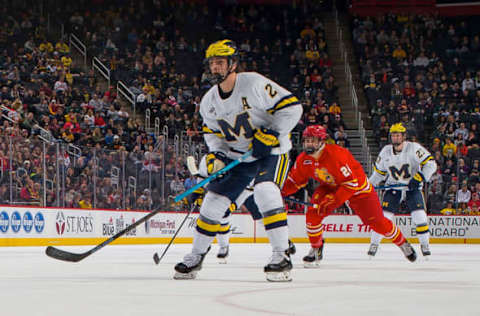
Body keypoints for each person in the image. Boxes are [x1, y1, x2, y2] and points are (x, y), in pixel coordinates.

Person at [174, 39, 302, 282]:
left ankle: (281, 255)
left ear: (233, 64)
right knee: (212, 202)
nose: (215, 68)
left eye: (220, 62)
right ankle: (197, 255)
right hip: (238, 157)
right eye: (212, 63)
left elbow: (292, 108)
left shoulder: (253, 82)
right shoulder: (208, 102)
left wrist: (273, 133)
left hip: (271, 153)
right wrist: (218, 155)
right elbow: (212, 134)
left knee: (265, 191)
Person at [281, 125, 418, 267]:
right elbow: (295, 181)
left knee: (377, 223)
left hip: (358, 189)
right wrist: (280, 192)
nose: (309, 144)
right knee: (313, 214)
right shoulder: (304, 159)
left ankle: (402, 243)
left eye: (313, 141)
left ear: (322, 142)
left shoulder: (336, 155)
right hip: (331, 186)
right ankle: (316, 248)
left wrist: (333, 201)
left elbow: (351, 184)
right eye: (307, 141)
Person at [191, 155, 296, 264]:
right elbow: (201, 181)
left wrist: (232, 203)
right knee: (220, 213)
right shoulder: (207, 160)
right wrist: (197, 196)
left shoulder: (237, 154)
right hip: (235, 187)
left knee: (263, 216)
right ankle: (222, 246)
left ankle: (284, 243)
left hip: (249, 186)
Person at [368, 123, 437, 258]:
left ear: (404, 136)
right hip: (393, 188)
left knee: (420, 217)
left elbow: (431, 164)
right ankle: (374, 244)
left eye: (398, 135)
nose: (395, 138)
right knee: (383, 219)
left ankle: (425, 245)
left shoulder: (414, 148)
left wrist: (419, 178)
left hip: (412, 188)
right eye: (393, 135)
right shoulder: (385, 151)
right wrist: (368, 186)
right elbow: (379, 174)